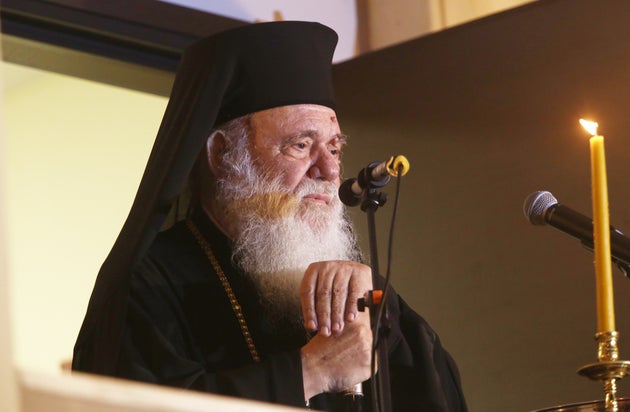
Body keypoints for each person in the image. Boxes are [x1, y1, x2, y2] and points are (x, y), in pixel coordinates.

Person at [72, 21, 467, 411]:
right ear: (222, 155)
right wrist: (310, 371)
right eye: (301, 145)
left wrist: (385, 317)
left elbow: (444, 397)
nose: (330, 171)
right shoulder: (147, 283)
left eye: (334, 148)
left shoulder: (356, 288)